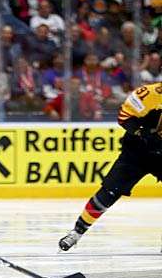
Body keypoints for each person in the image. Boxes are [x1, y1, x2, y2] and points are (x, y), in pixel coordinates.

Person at [59, 82, 162, 251]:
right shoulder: (148, 93)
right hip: (137, 152)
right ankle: (76, 233)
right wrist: (144, 133)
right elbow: (124, 117)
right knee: (109, 191)